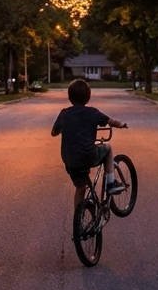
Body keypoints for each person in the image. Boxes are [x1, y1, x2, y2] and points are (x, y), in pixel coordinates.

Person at [51, 79, 128, 207]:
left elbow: (54, 132)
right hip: (88, 155)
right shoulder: (92, 112)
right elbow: (110, 121)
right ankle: (110, 183)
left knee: (80, 188)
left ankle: (78, 221)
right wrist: (121, 124)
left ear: (69, 97)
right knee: (107, 148)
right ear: (88, 97)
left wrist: (63, 129)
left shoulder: (64, 114)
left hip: (70, 159)